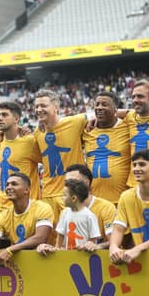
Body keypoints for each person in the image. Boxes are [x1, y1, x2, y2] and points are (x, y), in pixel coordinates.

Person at [33, 89, 86, 229]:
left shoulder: (76, 122)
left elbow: (107, 113)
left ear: (56, 107)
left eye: (43, 106)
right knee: (51, 241)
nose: (39, 109)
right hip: (48, 194)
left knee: (73, 236)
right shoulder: (37, 133)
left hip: (71, 192)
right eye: (37, 106)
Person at [0, 172, 53, 265]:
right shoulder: (3, 216)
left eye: (14, 184)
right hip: (19, 265)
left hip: (45, 262)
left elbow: (40, 237)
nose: (8, 187)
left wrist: (10, 250)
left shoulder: (42, 208)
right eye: (7, 185)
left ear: (26, 190)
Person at [82, 91, 131, 205]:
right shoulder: (87, 130)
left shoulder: (127, 126)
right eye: (97, 104)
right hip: (93, 203)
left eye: (104, 104)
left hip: (121, 202)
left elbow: (137, 113)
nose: (99, 108)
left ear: (115, 109)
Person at [0, 100, 41, 210]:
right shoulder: (0, 141)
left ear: (16, 119)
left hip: (26, 208)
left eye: (5, 115)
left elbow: (47, 162)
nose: (0, 118)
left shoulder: (29, 141)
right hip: (3, 207)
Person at [37, 179, 100, 255]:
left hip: (84, 255)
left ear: (73, 198)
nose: (62, 198)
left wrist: (90, 244)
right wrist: (57, 248)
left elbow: (94, 237)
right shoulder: (65, 213)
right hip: (68, 255)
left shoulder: (89, 215)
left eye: (64, 195)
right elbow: (60, 234)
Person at [64, 163, 117, 250]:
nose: (68, 186)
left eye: (73, 182)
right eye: (66, 183)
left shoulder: (106, 207)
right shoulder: (65, 211)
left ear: (86, 183)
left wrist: (98, 246)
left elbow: (114, 241)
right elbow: (61, 246)